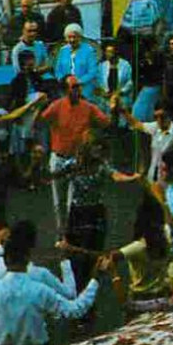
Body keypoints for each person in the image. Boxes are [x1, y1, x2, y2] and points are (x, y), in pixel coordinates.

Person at [39, 76, 110, 231]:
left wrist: (112, 105)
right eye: (74, 87)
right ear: (65, 90)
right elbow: (40, 121)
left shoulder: (88, 107)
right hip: (58, 158)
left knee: (74, 201)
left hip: (77, 160)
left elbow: (105, 122)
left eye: (78, 86)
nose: (78, 89)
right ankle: (61, 233)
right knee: (59, 202)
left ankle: (72, 234)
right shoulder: (56, 106)